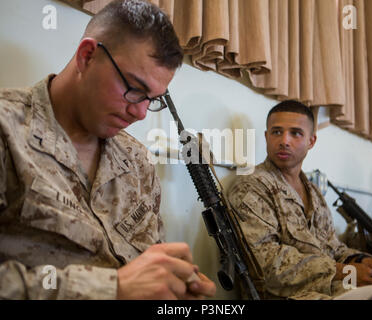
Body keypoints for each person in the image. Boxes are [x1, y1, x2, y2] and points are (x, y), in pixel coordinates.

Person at [0, 0, 216, 300]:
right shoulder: (7, 131)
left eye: (152, 99)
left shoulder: (137, 160)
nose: (140, 113)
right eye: (134, 88)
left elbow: (149, 264)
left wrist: (175, 288)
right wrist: (113, 289)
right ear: (87, 56)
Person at [227, 100, 372, 300]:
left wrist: (361, 261)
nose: (284, 141)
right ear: (266, 136)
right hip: (281, 295)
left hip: (329, 288)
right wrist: (345, 272)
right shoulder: (251, 187)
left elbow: (332, 247)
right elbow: (264, 264)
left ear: (311, 141)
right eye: (276, 132)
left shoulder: (314, 193)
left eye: (296, 133)